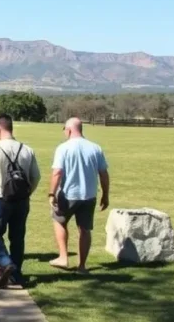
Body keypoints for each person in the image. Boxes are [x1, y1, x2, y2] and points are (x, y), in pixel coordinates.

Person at [0, 114, 41, 289]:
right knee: (18, 237)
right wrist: (28, 192)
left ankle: (5, 262)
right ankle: (16, 274)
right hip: (22, 200)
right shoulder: (27, 150)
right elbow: (36, 176)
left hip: (0, 198)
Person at [48, 117, 110, 273]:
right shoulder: (95, 148)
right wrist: (105, 195)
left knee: (59, 221)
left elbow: (57, 172)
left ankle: (63, 257)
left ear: (69, 130)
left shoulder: (63, 148)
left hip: (68, 194)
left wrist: (51, 193)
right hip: (89, 195)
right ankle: (82, 266)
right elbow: (103, 174)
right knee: (85, 229)